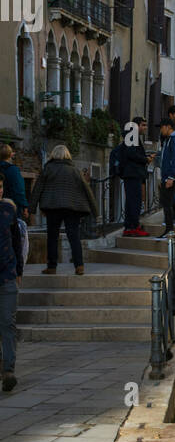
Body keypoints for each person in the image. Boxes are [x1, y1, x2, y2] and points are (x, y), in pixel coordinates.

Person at [29, 145, 98, 276]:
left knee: (52, 237)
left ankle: (52, 266)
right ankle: (79, 265)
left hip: (52, 207)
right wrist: (95, 211)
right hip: (72, 208)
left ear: (54, 155)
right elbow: (87, 190)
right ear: (67, 155)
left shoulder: (48, 169)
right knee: (74, 236)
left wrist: (31, 208)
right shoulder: (75, 170)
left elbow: (38, 188)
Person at [0, 170, 24, 393]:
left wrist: (19, 270)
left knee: (7, 323)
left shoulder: (8, 210)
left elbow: (16, 242)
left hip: (7, 275)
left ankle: (8, 370)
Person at [118, 117, 151, 237]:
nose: (145, 128)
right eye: (143, 125)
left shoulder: (131, 135)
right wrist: (145, 159)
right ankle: (132, 227)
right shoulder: (132, 135)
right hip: (133, 174)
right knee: (134, 202)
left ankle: (130, 227)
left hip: (131, 173)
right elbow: (131, 154)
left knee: (132, 201)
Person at [158, 118, 175, 236]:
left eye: (162, 127)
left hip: (171, 177)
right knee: (168, 202)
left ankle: (170, 230)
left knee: (167, 203)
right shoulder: (169, 140)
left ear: (168, 127)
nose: (161, 130)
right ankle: (170, 228)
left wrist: (171, 177)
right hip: (167, 177)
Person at [0, 143, 29, 221]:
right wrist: (24, 206)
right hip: (11, 206)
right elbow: (19, 190)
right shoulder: (13, 170)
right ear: (11, 155)